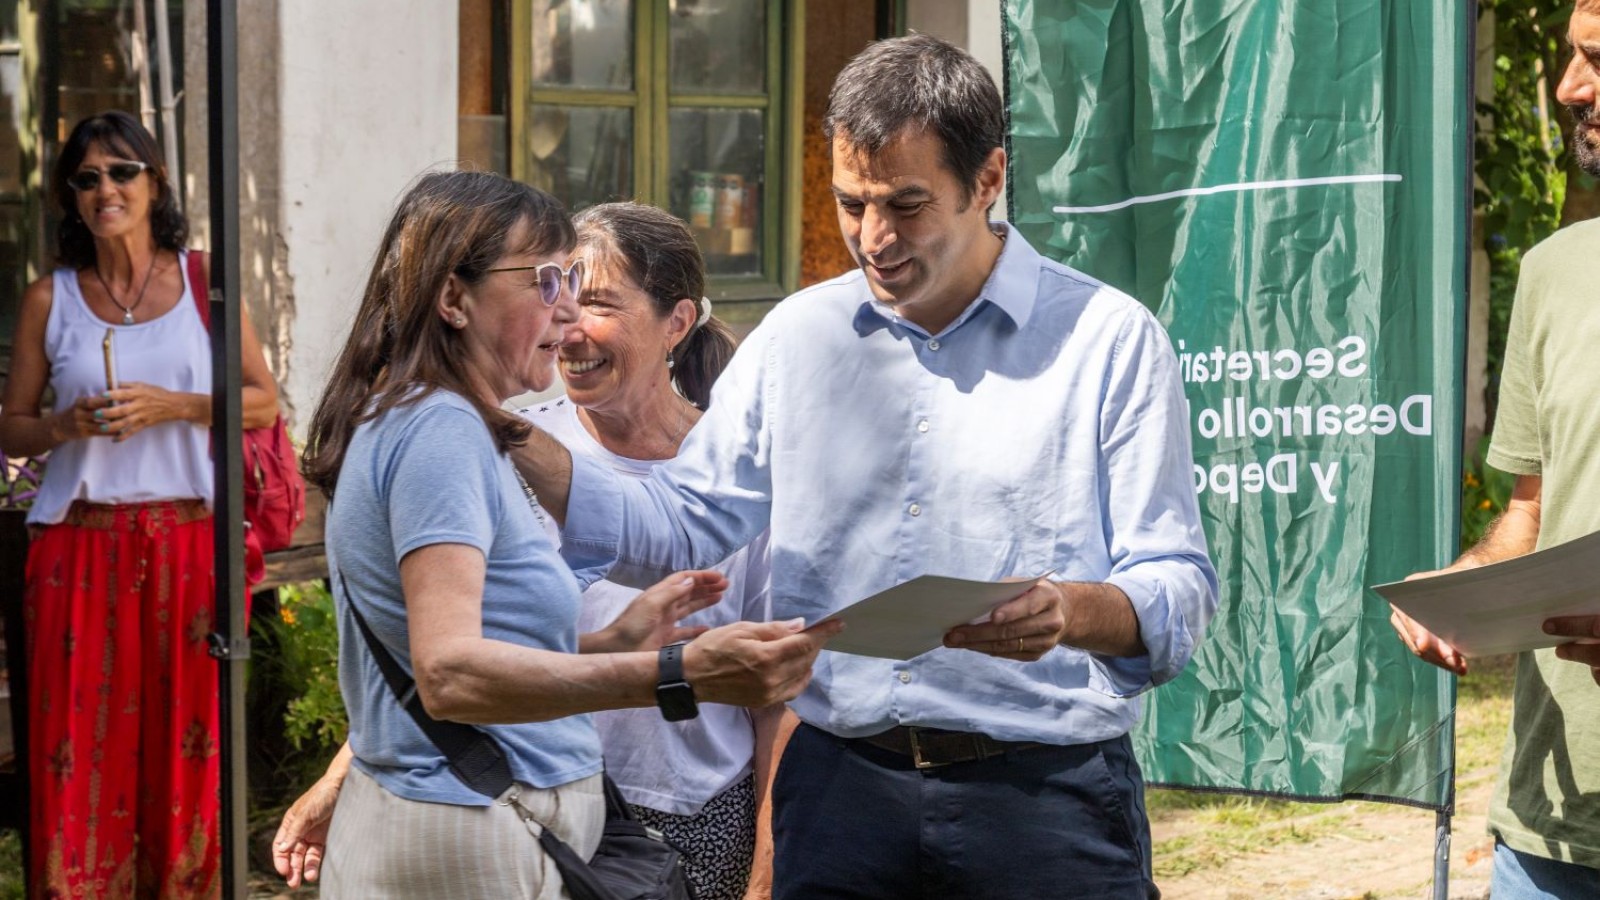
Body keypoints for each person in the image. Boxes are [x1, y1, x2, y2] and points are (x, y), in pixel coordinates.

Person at [516, 35, 1218, 900]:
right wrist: (502, 434)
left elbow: (1177, 583)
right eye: (851, 203)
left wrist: (1072, 612)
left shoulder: (1108, 341)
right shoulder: (797, 337)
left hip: (1046, 802)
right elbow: (683, 523)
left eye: (906, 204)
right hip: (837, 792)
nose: (872, 238)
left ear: (989, 179)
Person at [292, 171, 836, 899]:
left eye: (580, 289)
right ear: (454, 299)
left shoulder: (438, 422)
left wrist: (617, 641)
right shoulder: (449, 431)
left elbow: (459, 645)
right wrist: (679, 674)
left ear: (677, 322)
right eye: (546, 281)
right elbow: (448, 672)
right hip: (478, 819)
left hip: (512, 815)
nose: (568, 310)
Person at [0, 110, 279, 898]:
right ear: (71, 199)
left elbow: (263, 401)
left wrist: (177, 406)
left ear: (156, 182)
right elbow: (12, 424)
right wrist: (61, 424)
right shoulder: (48, 299)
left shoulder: (203, 280)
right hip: (76, 548)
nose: (105, 190)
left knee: (186, 741)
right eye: (86, 179)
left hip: (186, 540)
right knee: (73, 746)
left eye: (121, 171)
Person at [1390, 3, 1600, 894]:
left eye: (1594, 58)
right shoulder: (1555, 270)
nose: (1566, 88)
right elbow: (1531, 510)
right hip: (1548, 833)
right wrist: (1463, 588)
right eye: (1566, 58)